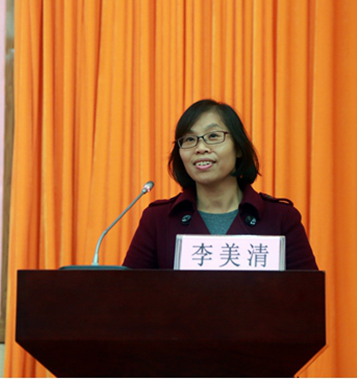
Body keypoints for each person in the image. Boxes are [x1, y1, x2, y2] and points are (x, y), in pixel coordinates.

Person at [123, 99, 318, 270]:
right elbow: (127, 294)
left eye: (213, 136)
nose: (201, 148)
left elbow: (308, 295)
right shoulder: (158, 220)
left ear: (238, 148)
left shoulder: (281, 218)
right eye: (189, 139)